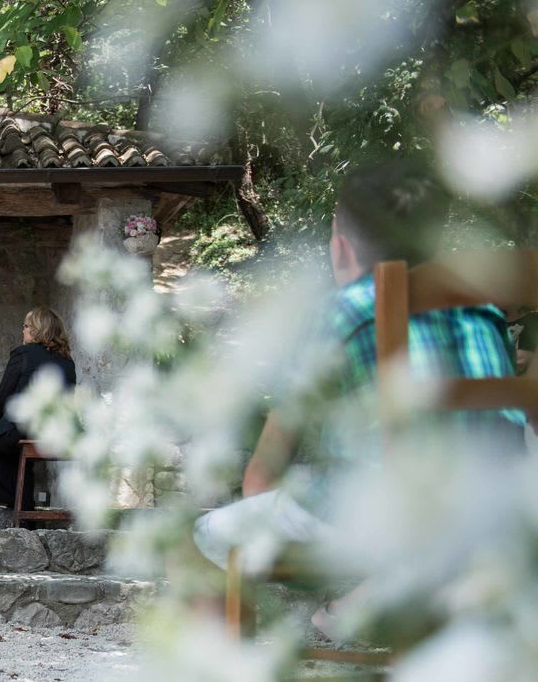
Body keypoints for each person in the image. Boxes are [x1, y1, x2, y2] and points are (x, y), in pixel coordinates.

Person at [192, 162, 527, 636]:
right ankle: (374, 602)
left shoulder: (343, 311)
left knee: (205, 537)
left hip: (393, 512)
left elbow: (263, 473)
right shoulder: (483, 309)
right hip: (498, 509)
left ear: (342, 247)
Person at [0, 307, 76, 508]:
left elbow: (3, 396)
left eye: (25, 326)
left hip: (25, 428)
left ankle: (14, 503)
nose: (23, 330)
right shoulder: (68, 361)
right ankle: (25, 511)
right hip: (55, 431)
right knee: (20, 454)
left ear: (36, 330)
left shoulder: (23, 353)